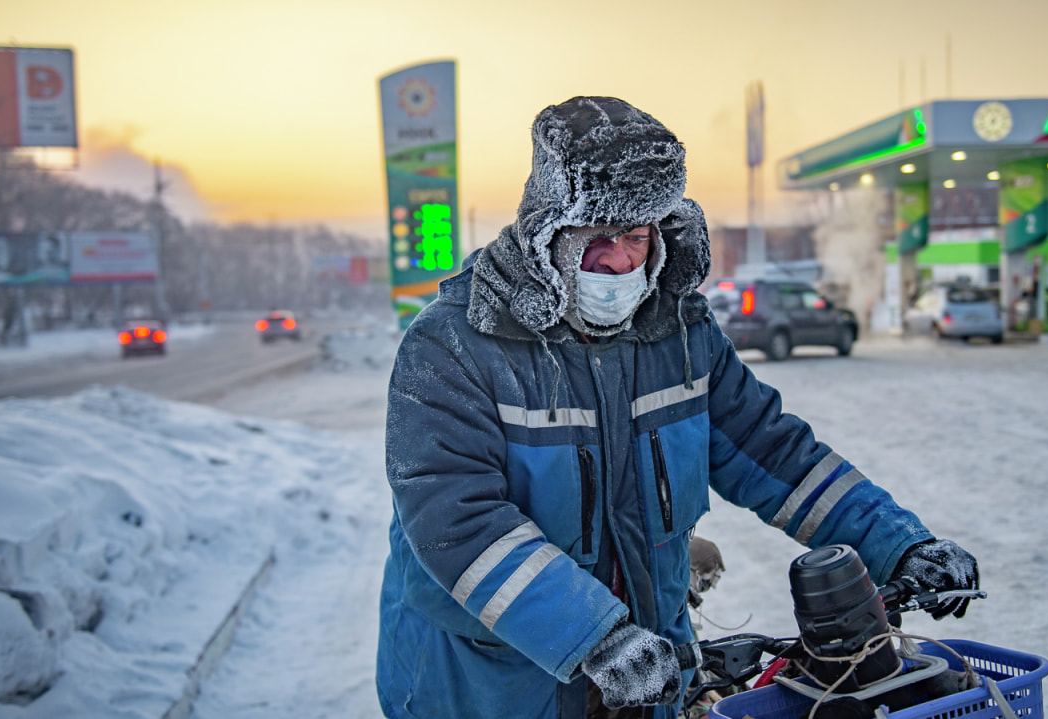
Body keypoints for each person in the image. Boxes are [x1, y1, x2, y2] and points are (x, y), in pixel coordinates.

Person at [375, 96, 979, 719]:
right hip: (489, 688)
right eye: (596, 238)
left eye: (637, 237)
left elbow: (771, 452)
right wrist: (593, 635)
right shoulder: (453, 345)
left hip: (648, 675)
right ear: (546, 232)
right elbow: (456, 518)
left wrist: (899, 545)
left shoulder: (680, 334)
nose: (620, 261)